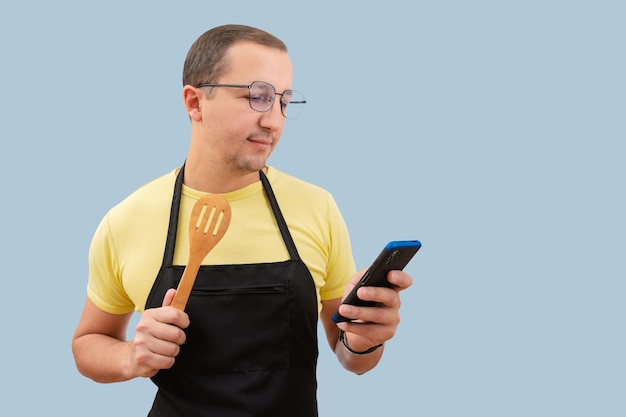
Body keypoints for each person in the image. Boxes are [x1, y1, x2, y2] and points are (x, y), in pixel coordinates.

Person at [71, 24, 413, 417]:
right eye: (258, 97)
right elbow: (88, 343)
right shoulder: (127, 219)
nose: (274, 121)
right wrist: (131, 356)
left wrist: (365, 338)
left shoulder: (316, 208)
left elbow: (350, 356)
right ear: (195, 103)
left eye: (284, 101)